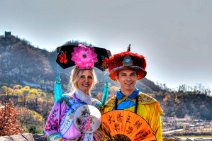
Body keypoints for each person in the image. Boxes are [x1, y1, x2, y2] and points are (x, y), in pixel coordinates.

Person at [44, 43, 109, 141]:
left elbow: (104, 133)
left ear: (93, 80)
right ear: (75, 78)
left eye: (89, 77)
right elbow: (49, 130)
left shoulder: (97, 105)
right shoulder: (65, 101)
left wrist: (97, 135)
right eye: (82, 76)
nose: (86, 80)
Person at [101, 46, 163, 141]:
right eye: (124, 75)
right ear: (117, 78)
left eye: (132, 74)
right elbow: (104, 136)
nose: (128, 79)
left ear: (137, 76)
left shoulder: (150, 105)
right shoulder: (108, 107)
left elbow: (157, 135)